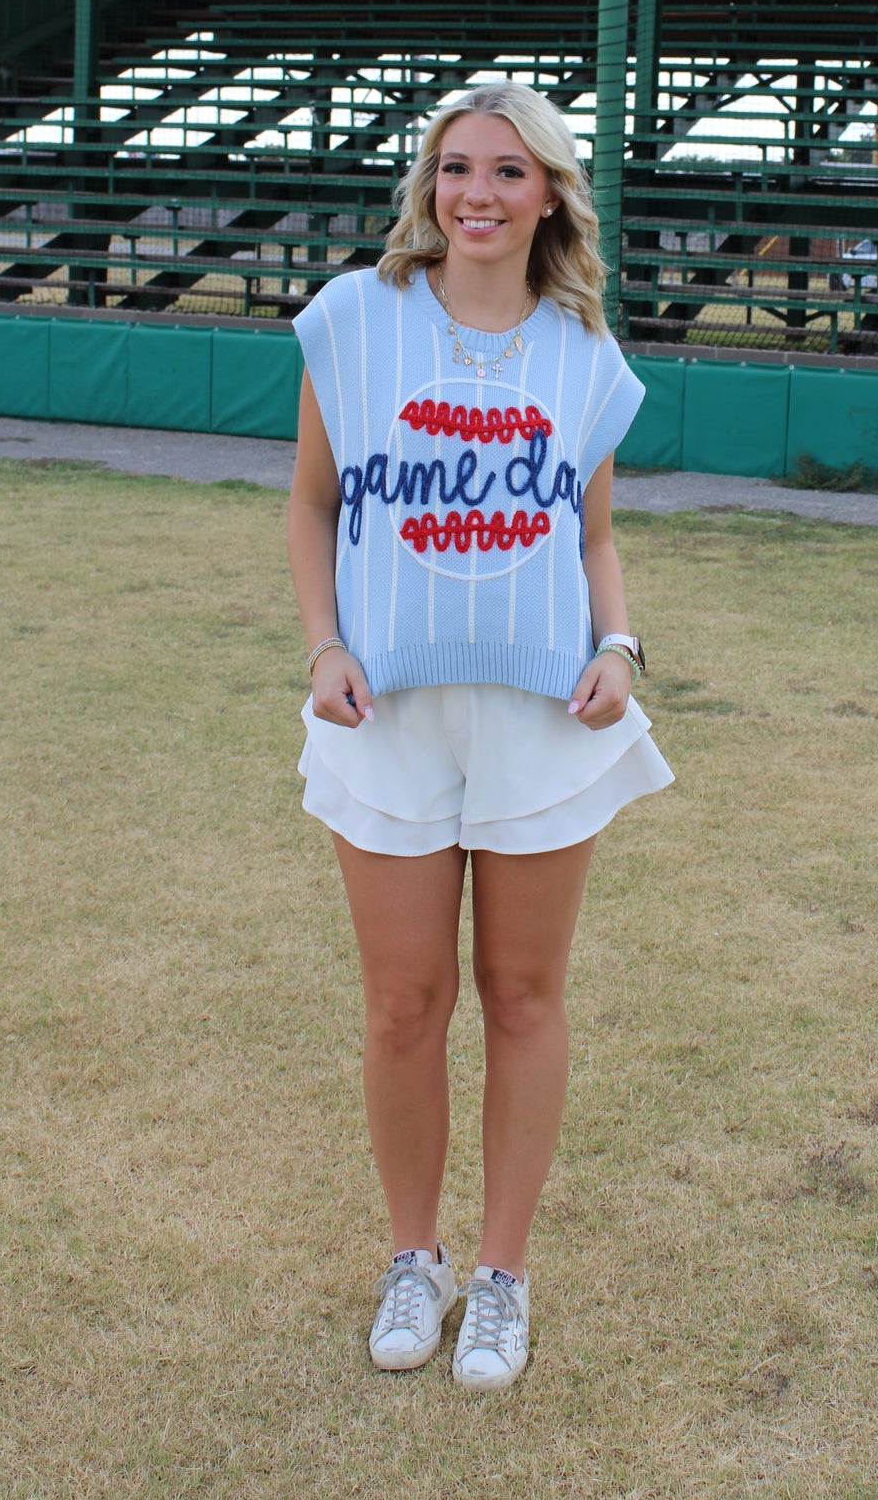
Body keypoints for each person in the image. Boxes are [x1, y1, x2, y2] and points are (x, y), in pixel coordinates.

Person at [286, 81, 673, 1392]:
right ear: (427, 185)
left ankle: (500, 1276)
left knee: (521, 995)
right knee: (403, 1004)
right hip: (384, 715)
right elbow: (310, 510)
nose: (478, 194)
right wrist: (324, 645)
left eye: (510, 172)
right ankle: (415, 1257)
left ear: (551, 192)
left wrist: (618, 646)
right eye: (456, 168)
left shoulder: (581, 347)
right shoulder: (353, 320)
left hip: (536, 720)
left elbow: (596, 533)